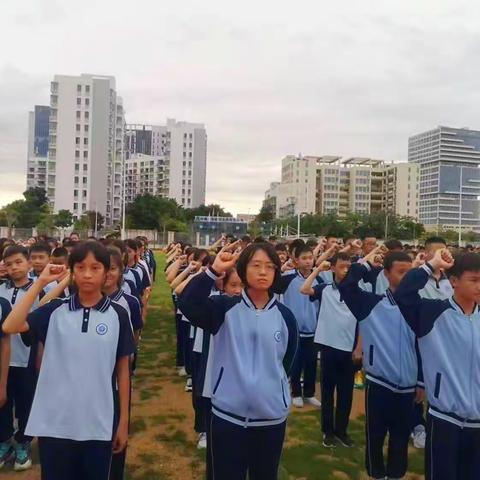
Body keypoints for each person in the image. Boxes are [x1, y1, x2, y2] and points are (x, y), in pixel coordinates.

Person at [2, 242, 135, 480]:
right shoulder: (54, 310)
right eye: (81, 267)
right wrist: (41, 282)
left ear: (106, 273)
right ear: (72, 271)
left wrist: (123, 421)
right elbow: (10, 326)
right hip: (55, 423)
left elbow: (123, 370)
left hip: (98, 422)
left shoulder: (118, 315)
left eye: (95, 268)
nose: (87, 274)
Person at [179, 243, 298, 480]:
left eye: (269, 267)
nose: (263, 272)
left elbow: (287, 360)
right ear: (243, 270)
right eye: (256, 266)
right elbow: (188, 304)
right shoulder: (223, 308)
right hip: (227, 416)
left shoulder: (285, 316)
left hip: (270, 418)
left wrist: (274, 391)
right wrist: (212, 272)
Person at [394, 249, 480, 480]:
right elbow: (403, 294)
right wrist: (431, 265)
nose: (479, 286)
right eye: (474, 280)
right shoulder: (433, 313)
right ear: (453, 281)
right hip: (445, 419)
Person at [339, 250, 419, 480]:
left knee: (401, 436)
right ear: (386, 273)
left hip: (408, 385)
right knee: (375, 434)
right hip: (379, 381)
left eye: (410, 272)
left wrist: (421, 381)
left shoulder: (419, 307)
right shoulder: (371, 303)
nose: (406, 277)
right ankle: (376, 474)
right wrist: (365, 264)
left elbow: (425, 346)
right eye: (400, 272)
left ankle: (396, 474)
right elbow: (346, 286)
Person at [301, 252, 360, 448]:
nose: (346, 269)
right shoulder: (325, 289)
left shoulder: (357, 291)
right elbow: (304, 289)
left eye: (349, 266)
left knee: (346, 394)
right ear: (333, 268)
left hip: (349, 350)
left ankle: (342, 431)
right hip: (328, 348)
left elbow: (363, 321)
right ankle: (327, 431)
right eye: (342, 266)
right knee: (327, 393)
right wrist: (318, 268)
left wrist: (358, 348)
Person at [0, 245, 44, 471]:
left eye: (18, 262)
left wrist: (39, 357)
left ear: (28, 263)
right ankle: (4, 440)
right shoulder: (1, 291)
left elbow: (42, 328)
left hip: (26, 359)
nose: (14, 267)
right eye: (9, 264)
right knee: (3, 403)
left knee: (26, 402)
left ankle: (23, 443)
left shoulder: (38, 291)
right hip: (3, 361)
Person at [278, 244, 321, 408]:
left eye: (310, 258)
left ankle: (309, 393)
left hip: (313, 329)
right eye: (304, 258)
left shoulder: (319, 279)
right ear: (296, 261)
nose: (308, 261)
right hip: (294, 330)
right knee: (295, 363)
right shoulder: (288, 278)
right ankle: (295, 392)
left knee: (311, 363)